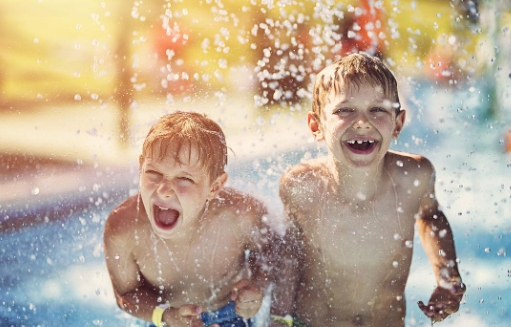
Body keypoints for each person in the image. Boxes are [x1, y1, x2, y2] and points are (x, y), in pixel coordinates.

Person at [276, 53, 466, 327]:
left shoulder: (413, 177)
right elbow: (288, 255)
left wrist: (448, 277)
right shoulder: (302, 185)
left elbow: (430, 216)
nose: (363, 121)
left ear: (398, 124)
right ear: (316, 125)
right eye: (345, 110)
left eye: (378, 110)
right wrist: (278, 318)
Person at [104, 112, 274, 327]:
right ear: (141, 167)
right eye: (154, 173)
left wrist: (256, 287)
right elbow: (126, 294)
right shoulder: (124, 227)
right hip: (160, 317)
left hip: (229, 314)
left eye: (184, 179)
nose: (164, 190)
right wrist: (166, 316)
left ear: (215, 186)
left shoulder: (241, 216)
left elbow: (271, 251)